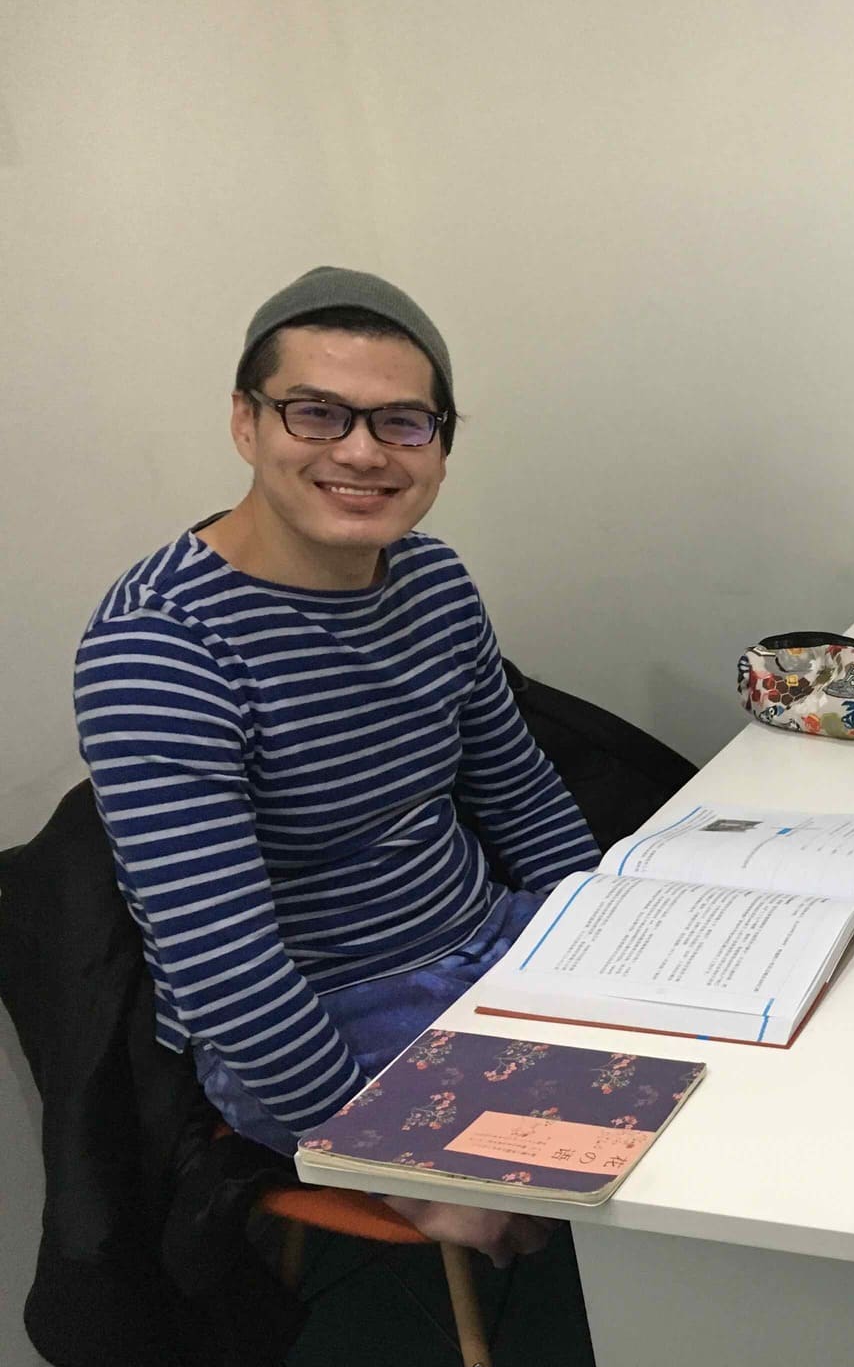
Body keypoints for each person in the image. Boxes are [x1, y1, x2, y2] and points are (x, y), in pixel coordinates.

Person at [74, 267, 601, 1266]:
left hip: (485, 935)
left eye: (402, 423)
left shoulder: (433, 578)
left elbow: (519, 790)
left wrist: (608, 938)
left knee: (753, 1059)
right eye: (317, 414)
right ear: (246, 421)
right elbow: (227, 969)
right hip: (326, 1016)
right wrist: (385, 1163)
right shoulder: (162, 647)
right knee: (640, 1167)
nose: (361, 452)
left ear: (442, 443)